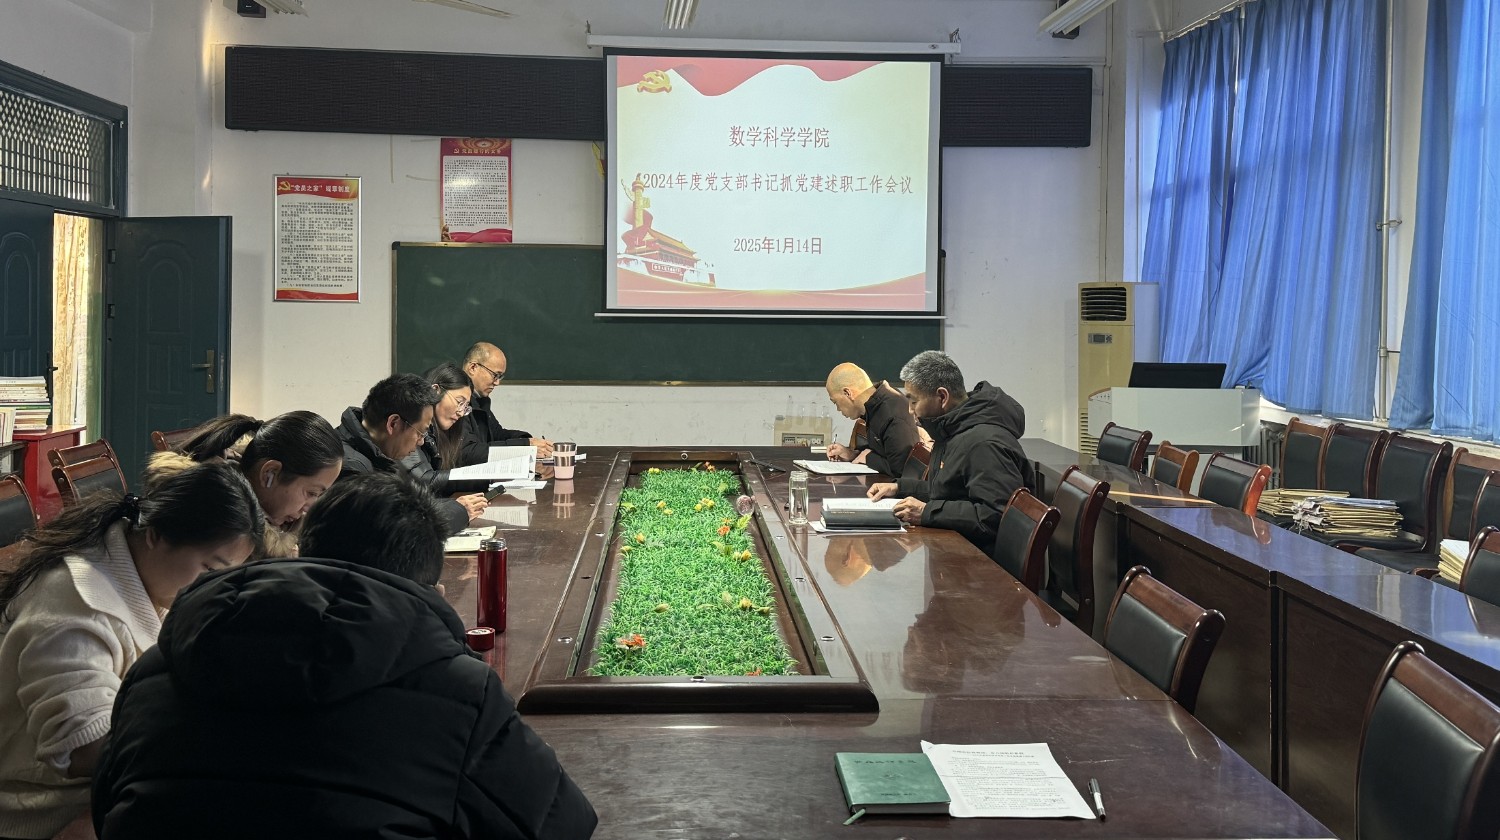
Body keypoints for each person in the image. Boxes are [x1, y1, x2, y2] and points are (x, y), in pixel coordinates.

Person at [91, 473, 598, 840]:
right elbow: (562, 824)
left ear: (303, 549)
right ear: (432, 586)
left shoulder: (160, 665)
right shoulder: (459, 692)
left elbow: (107, 802)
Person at [0, 464, 262, 840]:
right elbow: (86, 747)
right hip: (43, 812)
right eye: (209, 569)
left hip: (105, 792)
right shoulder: (78, 606)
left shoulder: (149, 574)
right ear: (156, 534)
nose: (214, 588)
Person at [867, 351, 1033, 555]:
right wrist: (899, 488)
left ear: (942, 397)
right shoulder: (950, 430)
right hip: (957, 550)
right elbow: (948, 491)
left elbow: (995, 515)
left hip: (980, 563)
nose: (910, 410)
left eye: (914, 401)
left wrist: (926, 512)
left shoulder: (984, 444)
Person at [150, 411, 343, 556]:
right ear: (270, 473)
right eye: (311, 493)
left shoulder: (278, 523)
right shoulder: (215, 527)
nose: (309, 507)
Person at [336, 373, 486, 533]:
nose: (421, 442)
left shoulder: (379, 452)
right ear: (393, 424)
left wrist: (455, 506)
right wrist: (458, 511)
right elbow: (393, 530)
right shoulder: (351, 468)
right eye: (421, 432)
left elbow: (403, 507)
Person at [402, 363, 493, 503]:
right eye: (459, 402)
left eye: (466, 407)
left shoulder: (449, 430)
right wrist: (486, 476)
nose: (461, 412)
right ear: (435, 390)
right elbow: (424, 480)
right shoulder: (410, 421)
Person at [460, 342, 554, 464]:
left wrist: (529, 441)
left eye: (500, 377)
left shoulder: (480, 400)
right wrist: (525, 446)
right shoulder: (456, 402)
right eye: (495, 375)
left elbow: (497, 435)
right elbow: (468, 452)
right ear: (473, 368)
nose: (497, 383)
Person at [823, 362, 921, 477]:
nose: (838, 409)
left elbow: (901, 471)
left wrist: (869, 457)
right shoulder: (873, 407)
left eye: (835, 402)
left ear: (848, 393)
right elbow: (881, 454)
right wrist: (852, 454)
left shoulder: (892, 412)